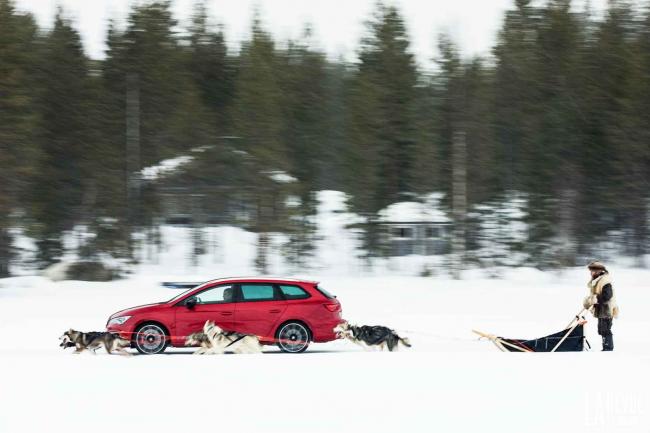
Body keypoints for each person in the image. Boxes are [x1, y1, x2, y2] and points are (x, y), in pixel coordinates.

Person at [583, 261, 619, 351]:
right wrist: (590, 300)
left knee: (605, 329)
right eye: (591, 271)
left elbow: (607, 295)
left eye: (593, 271)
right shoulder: (597, 280)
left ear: (598, 271)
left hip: (607, 309)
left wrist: (596, 298)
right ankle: (606, 347)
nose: (591, 273)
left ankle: (608, 348)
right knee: (601, 329)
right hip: (601, 309)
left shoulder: (605, 281)